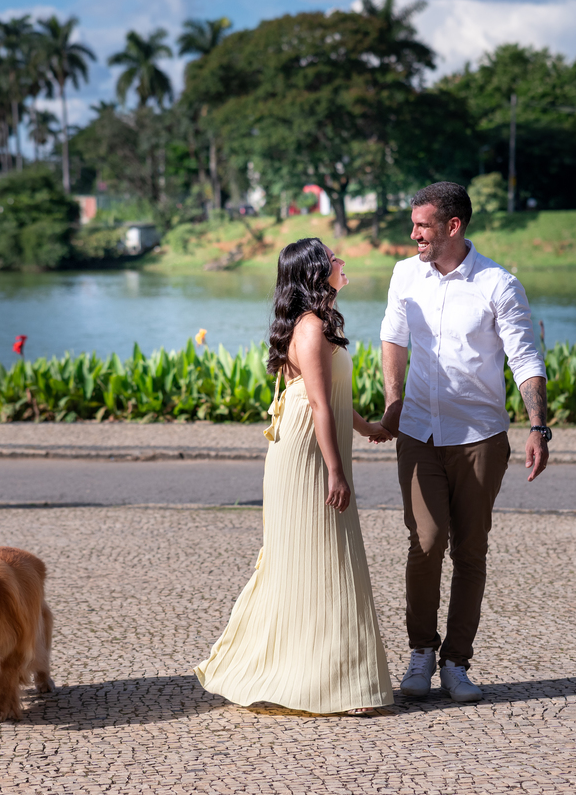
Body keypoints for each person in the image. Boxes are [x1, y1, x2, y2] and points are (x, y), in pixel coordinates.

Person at [195, 237, 395, 716]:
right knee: (325, 560)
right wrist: (336, 471)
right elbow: (321, 404)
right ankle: (337, 686)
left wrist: (371, 428)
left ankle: (334, 677)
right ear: (314, 272)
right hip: (307, 459)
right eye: (332, 258)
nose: (341, 261)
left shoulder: (318, 324)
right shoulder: (310, 327)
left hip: (312, 447)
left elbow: (330, 395)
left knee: (325, 559)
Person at [379, 182, 549, 703]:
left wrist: (538, 424)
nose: (413, 235)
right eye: (413, 225)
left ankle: (456, 662)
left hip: (478, 436)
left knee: (470, 550)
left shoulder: (499, 284)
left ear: (453, 227)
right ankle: (420, 652)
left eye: (423, 226)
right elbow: (393, 336)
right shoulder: (405, 274)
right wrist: (393, 401)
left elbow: (524, 358)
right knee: (426, 543)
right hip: (417, 434)